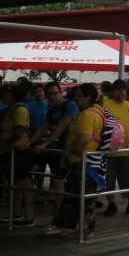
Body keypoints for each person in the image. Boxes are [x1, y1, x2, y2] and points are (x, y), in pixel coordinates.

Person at [39, 83, 104, 236]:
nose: (76, 98)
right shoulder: (98, 111)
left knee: (80, 197)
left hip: (83, 161)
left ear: (87, 98)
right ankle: (70, 226)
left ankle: (83, 229)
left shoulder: (87, 114)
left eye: (79, 95)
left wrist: (68, 149)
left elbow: (85, 138)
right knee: (76, 197)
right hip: (90, 161)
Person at [29, 81, 79, 215]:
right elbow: (43, 129)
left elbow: (61, 126)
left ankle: (60, 216)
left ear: (60, 92)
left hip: (75, 150)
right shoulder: (51, 110)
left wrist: (45, 144)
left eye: (55, 93)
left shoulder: (70, 105)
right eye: (49, 94)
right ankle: (60, 215)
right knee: (61, 182)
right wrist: (29, 142)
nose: (52, 97)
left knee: (62, 183)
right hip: (64, 149)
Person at [0, 85, 35, 226]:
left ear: (12, 95)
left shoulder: (20, 110)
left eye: (5, 93)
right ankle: (15, 213)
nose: (2, 96)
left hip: (18, 151)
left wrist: (6, 144)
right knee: (16, 183)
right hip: (9, 152)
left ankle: (29, 216)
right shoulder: (9, 110)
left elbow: (18, 132)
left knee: (23, 182)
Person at [102, 79, 129, 217]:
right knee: (108, 179)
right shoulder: (105, 106)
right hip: (109, 152)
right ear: (112, 92)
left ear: (126, 92)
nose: (121, 92)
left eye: (123, 89)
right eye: (118, 89)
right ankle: (111, 203)